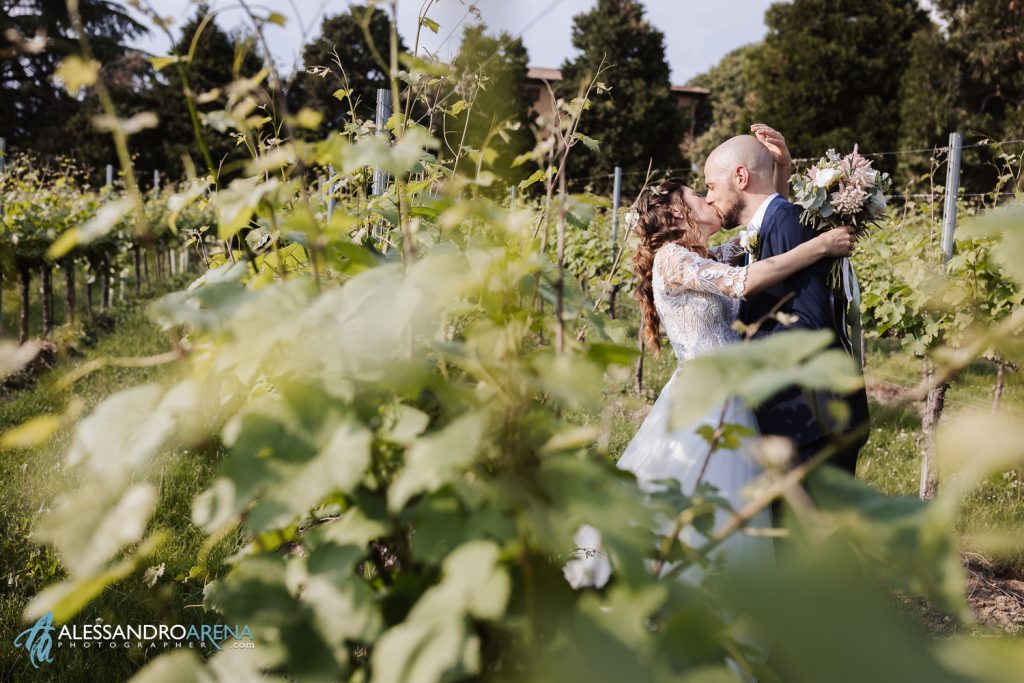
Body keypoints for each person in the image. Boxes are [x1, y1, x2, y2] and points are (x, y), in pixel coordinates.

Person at [563, 132, 856, 592]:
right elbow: (744, 281)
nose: (707, 198)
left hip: (732, 399)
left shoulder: (703, 253)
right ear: (680, 215)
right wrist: (820, 247)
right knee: (689, 496)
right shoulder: (672, 259)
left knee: (726, 508)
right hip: (706, 399)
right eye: (696, 195)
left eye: (707, 188)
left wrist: (782, 169)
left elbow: (763, 227)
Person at [703, 127, 870, 477]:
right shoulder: (768, 226)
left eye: (710, 186)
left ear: (740, 176)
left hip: (816, 427)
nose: (708, 198)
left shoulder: (789, 223)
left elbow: (810, 327)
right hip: (798, 419)